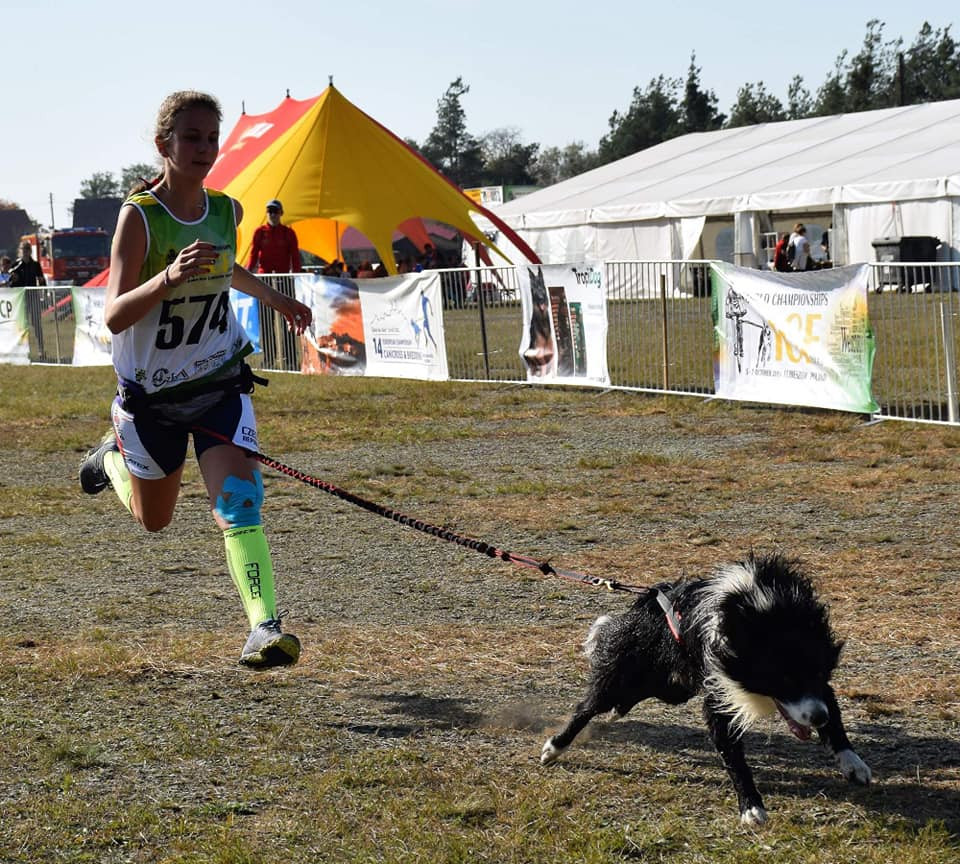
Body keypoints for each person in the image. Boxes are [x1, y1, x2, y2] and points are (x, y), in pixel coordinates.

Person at [77, 90, 313, 669]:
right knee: (153, 521)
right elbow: (112, 316)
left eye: (212, 138)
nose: (204, 149)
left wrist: (274, 298)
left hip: (218, 384)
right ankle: (112, 459)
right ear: (164, 145)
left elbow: (226, 265)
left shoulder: (226, 210)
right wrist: (167, 277)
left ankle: (264, 627)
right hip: (151, 399)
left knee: (240, 504)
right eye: (192, 138)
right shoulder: (140, 217)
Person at [8, 240, 47, 359]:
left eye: (27, 249)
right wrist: (13, 280)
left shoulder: (35, 265)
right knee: (20, 325)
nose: (25, 252)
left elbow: (42, 281)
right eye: (23, 249)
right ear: (19, 251)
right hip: (20, 301)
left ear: (30, 251)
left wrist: (44, 293)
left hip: (33, 297)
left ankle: (41, 350)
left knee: (37, 324)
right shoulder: (15, 265)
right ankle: (21, 351)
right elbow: (10, 284)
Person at [246, 200, 302, 275]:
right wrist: (248, 271)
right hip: (265, 276)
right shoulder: (259, 232)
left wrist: (296, 275)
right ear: (266, 213)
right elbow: (253, 255)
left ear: (281, 213)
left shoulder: (289, 233)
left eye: (275, 211)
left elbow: (295, 256)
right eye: (269, 211)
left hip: (283, 276)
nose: (272, 214)